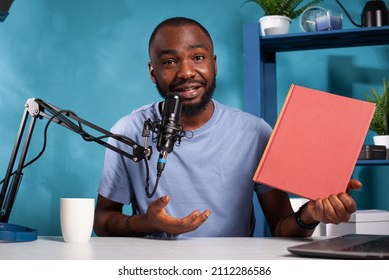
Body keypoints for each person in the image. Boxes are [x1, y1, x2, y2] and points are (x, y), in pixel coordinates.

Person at [93, 17, 361, 238]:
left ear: (214, 64)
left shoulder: (255, 133)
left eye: (198, 57)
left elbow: (282, 228)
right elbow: (102, 220)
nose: (186, 72)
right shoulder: (128, 131)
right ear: (153, 72)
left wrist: (309, 215)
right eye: (169, 62)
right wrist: (147, 223)